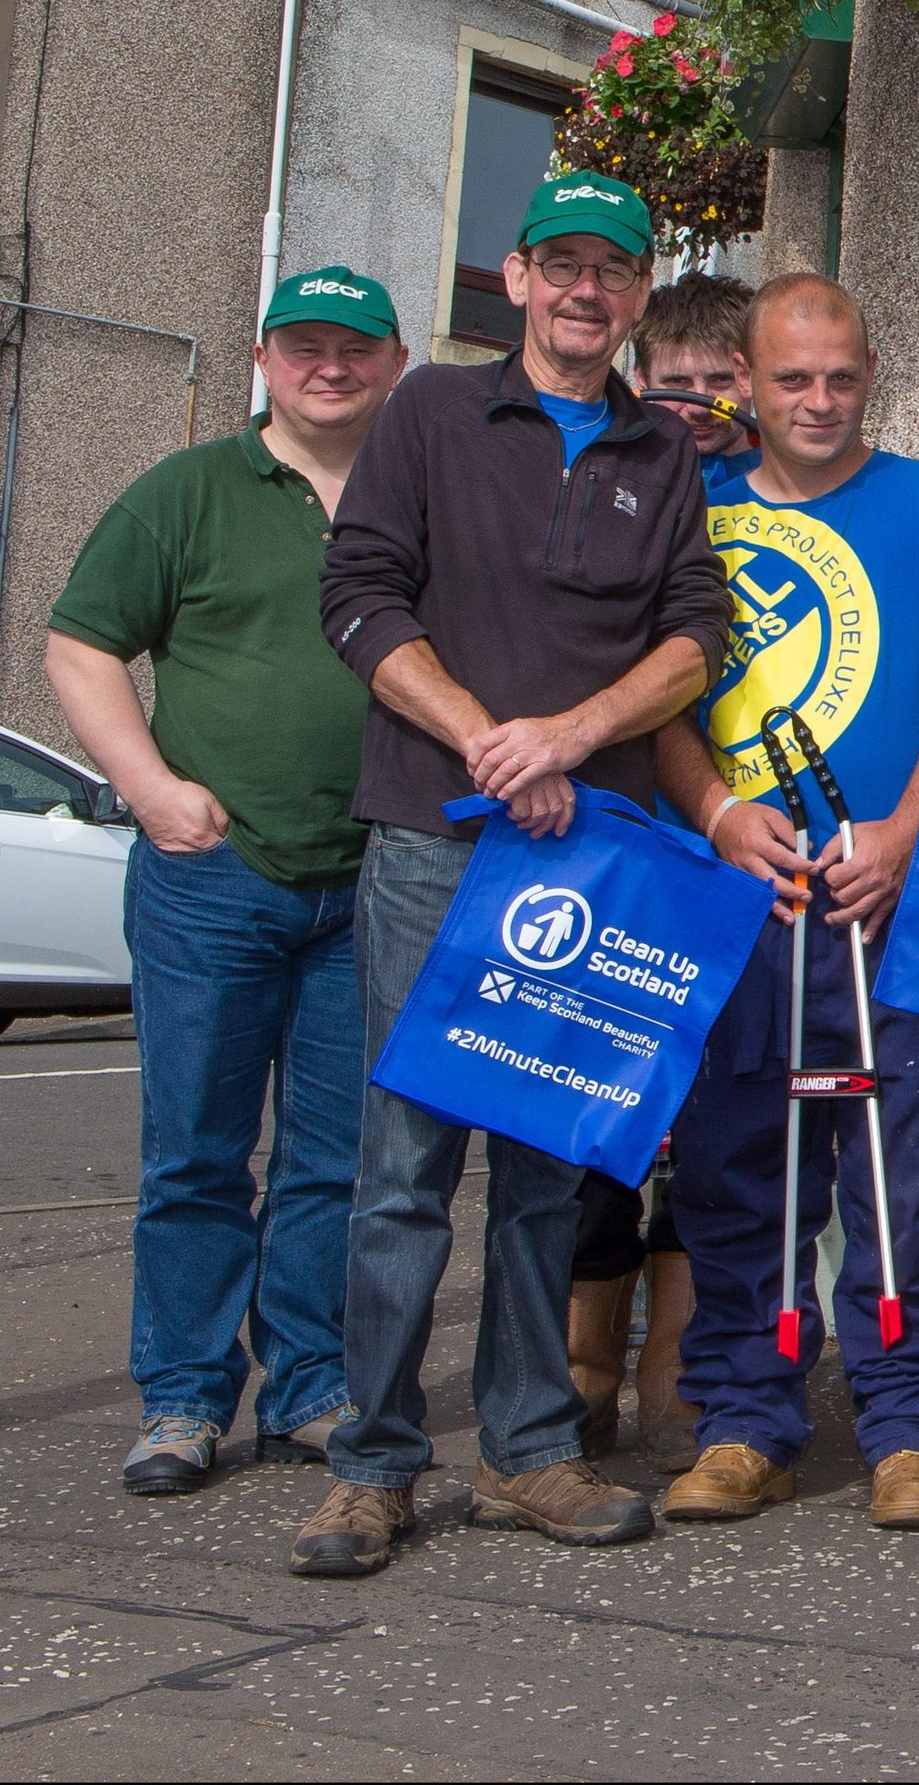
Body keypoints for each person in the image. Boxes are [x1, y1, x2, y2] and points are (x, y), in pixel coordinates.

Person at [300, 171, 726, 1578]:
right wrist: (493, 743)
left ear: (638, 291)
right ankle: (371, 1464)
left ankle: (530, 1452)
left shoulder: (661, 456)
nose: (584, 292)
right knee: (404, 1168)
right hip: (436, 836)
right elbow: (361, 595)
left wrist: (571, 737)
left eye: (612, 270)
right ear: (516, 275)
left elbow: (690, 642)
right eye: (561, 266)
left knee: (550, 1173)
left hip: (583, 851)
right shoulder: (428, 413)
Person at [650, 275, 919, 1534]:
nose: (819, 401)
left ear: (875, 374)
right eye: (792, 379)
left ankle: (912, 1430)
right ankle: (745, 1419)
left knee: (905, 1177)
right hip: (734, 899)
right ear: (741, 384)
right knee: (736, 1172)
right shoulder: (687, 514)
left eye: (842, 377)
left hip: (888, 902)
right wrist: (715, 813)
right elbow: (656, 708)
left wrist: (904, 837)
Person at [48, 266, 404, 1496]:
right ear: (265, 358)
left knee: (335, 1159)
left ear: (393, 363)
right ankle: (186, 1399)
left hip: (370, 876)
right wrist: (147, 786)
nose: (330, 367)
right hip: (214, 875)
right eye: (305, 346)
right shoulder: (189, 492)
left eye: (355, 348)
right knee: (196, 1151)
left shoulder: (416, 498)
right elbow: (81, 643)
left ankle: (307, 1386)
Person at [568, 267, 759, 1474]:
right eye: (671, 382)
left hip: (734, 857)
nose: (693, 404)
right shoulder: (606, 486)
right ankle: (583, 1370)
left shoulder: (767, 497)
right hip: (618, 838)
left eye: (718, 382)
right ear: (641, 379)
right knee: (597, 1122)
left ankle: (674, 1375)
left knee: (712, 1138)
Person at [631, 270, 755, 459]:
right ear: (641, 377)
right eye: (678, 381)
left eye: (721, 379)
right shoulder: (611, 474)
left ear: (752, 376)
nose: (700, 409)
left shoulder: (800, 480)